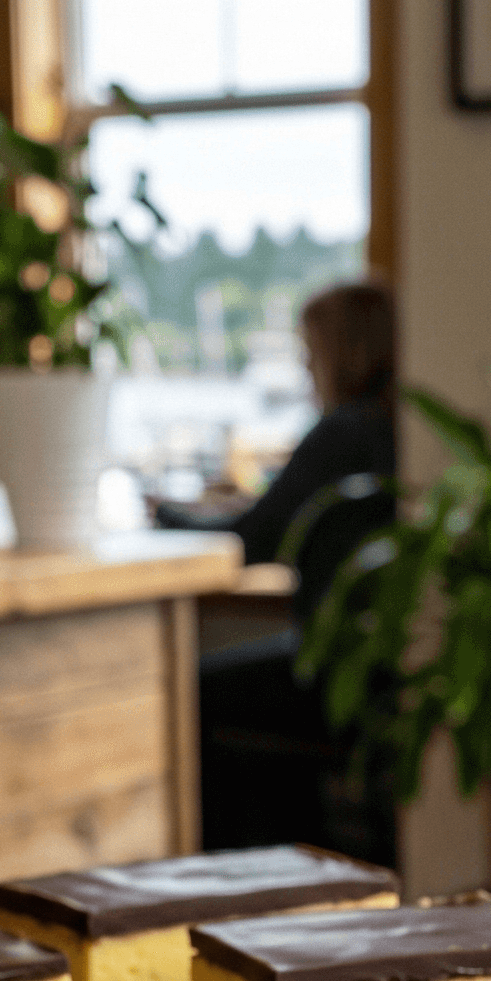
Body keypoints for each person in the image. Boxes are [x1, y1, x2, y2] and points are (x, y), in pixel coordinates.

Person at [163, 281, 399, 860]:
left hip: (330, 670)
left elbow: (254, 537)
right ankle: (302, 852)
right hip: (381, 668)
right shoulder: (398, 428)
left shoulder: (340, 431)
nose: (304, 367)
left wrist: (166, 517)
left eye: (310, 351)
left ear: (342, 352)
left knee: (190, 694)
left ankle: (247, 870)